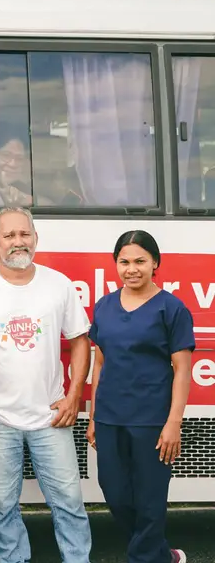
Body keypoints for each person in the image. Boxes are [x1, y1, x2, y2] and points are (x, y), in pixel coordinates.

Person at [0, 206, 93, 563]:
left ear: (35, 238)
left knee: (70, 503)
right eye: (9, 236)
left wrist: (74, 395)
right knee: (2, 506)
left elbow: (80, 340)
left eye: (24, 234)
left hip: (51, 416)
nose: (18, 242)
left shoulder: (58, 284)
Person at [87, 230, 192, 563]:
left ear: (155, 263)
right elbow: (99, 362)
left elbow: (182, 369)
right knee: (115, 494)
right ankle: (163, 556)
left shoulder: (172, 309)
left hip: (152, 421)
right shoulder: (104, 306)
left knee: (149, 501)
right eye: (124, 262)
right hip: (109, 418)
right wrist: (92, 416)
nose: (131, 269)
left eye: (140, 261)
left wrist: (173, 422)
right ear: (116, 264)